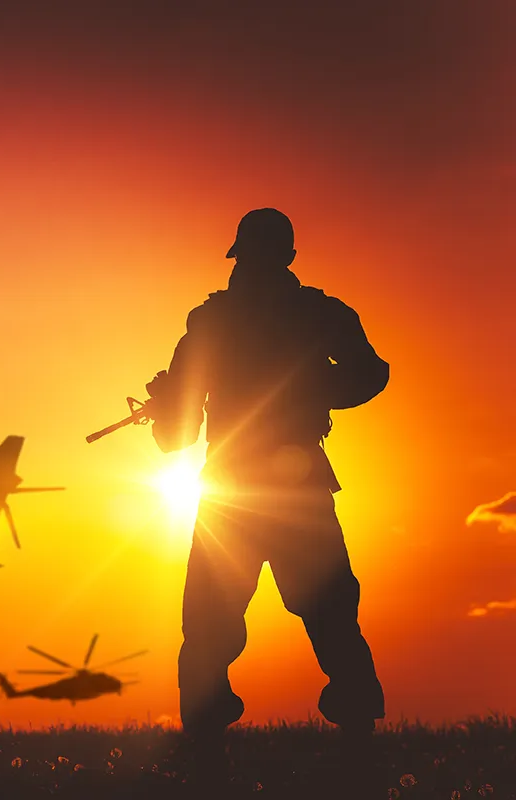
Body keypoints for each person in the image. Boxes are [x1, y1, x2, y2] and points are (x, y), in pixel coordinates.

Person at [146, 208, 388, 775]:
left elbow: (176, 439)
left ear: (241, 256)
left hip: (230, 489)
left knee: (210, 620)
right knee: (329, 612)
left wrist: (166, 408)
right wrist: (316, 391)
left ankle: (204, 744)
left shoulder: (211, 324)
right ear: (290, 258)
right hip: (296, 485)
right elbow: (371, 375)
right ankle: (356, 735)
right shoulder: (321, 315)